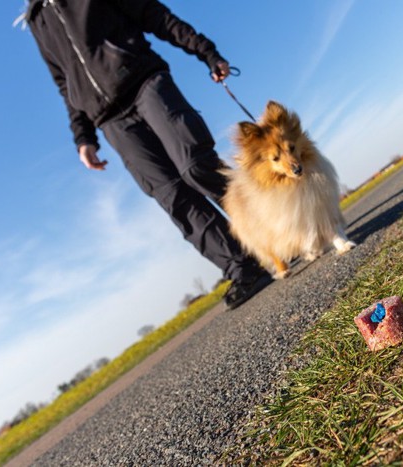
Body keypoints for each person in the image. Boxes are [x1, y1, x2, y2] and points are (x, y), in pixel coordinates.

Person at [25, 0, 272, 309]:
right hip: (110, 120)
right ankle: (243, 267)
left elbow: (155, 15)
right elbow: (65, 83)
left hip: (144, 82)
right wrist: (83, 137)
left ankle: (274, 233)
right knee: (172, 195)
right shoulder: (37, 19)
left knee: (195, 164)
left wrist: (205, 51)